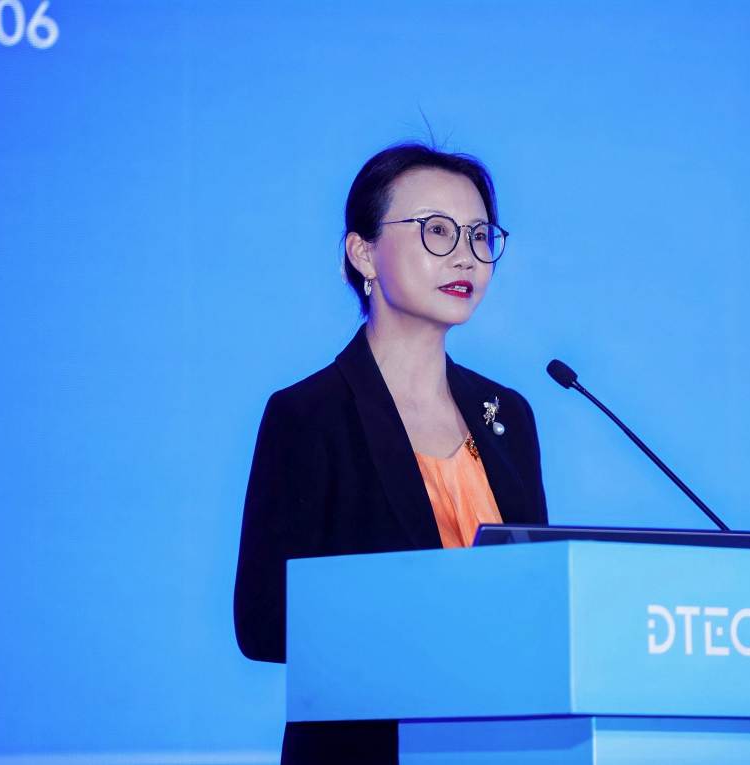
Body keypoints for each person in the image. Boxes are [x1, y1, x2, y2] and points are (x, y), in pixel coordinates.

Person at [233, 143, 550, 764]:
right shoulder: (309, 415)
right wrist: (432, 620)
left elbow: (538, 598)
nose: (466, 255)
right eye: (437, 231)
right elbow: (265, 622)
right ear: (363, 253)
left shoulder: (507, 415)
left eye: (479, 235)